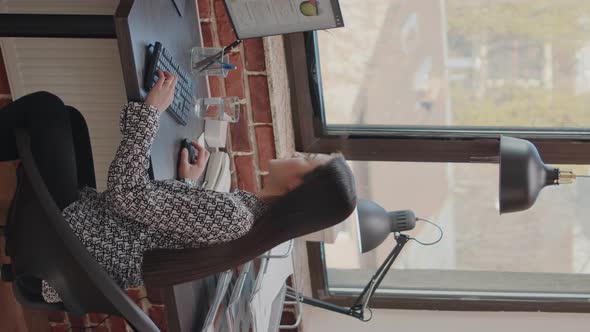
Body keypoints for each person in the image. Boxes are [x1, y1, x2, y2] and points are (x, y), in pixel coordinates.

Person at [0, 71, 357, 303]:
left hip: (74, 240)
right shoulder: (248, 218)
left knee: (47, 112)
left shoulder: (236, 218)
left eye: (309, 160)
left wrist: (151, 113)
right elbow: (163, 230)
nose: (299, 152)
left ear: (299, 186)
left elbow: (127, 195)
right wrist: (188, 185)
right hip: (81, 246)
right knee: (71, 121)